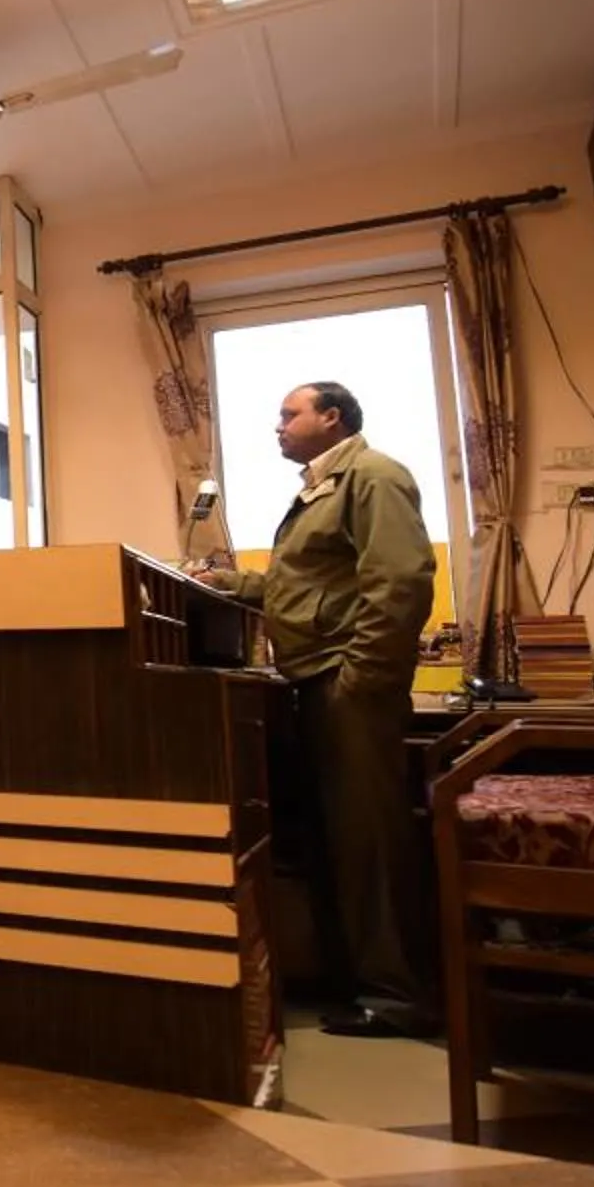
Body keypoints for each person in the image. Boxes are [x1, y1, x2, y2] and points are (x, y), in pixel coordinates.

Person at [203, 382, 439, 1039]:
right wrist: (230, 583)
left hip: (346, 682)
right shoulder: (321, 489)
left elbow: (401, 580)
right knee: (340, 841)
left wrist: (364, 675)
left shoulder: (373, 476)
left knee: (369, 841)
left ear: (331, 417)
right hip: (319, 679)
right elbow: (302, 584)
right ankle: (356, 980)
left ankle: (395, 997)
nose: (278, 426)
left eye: (290, 414)